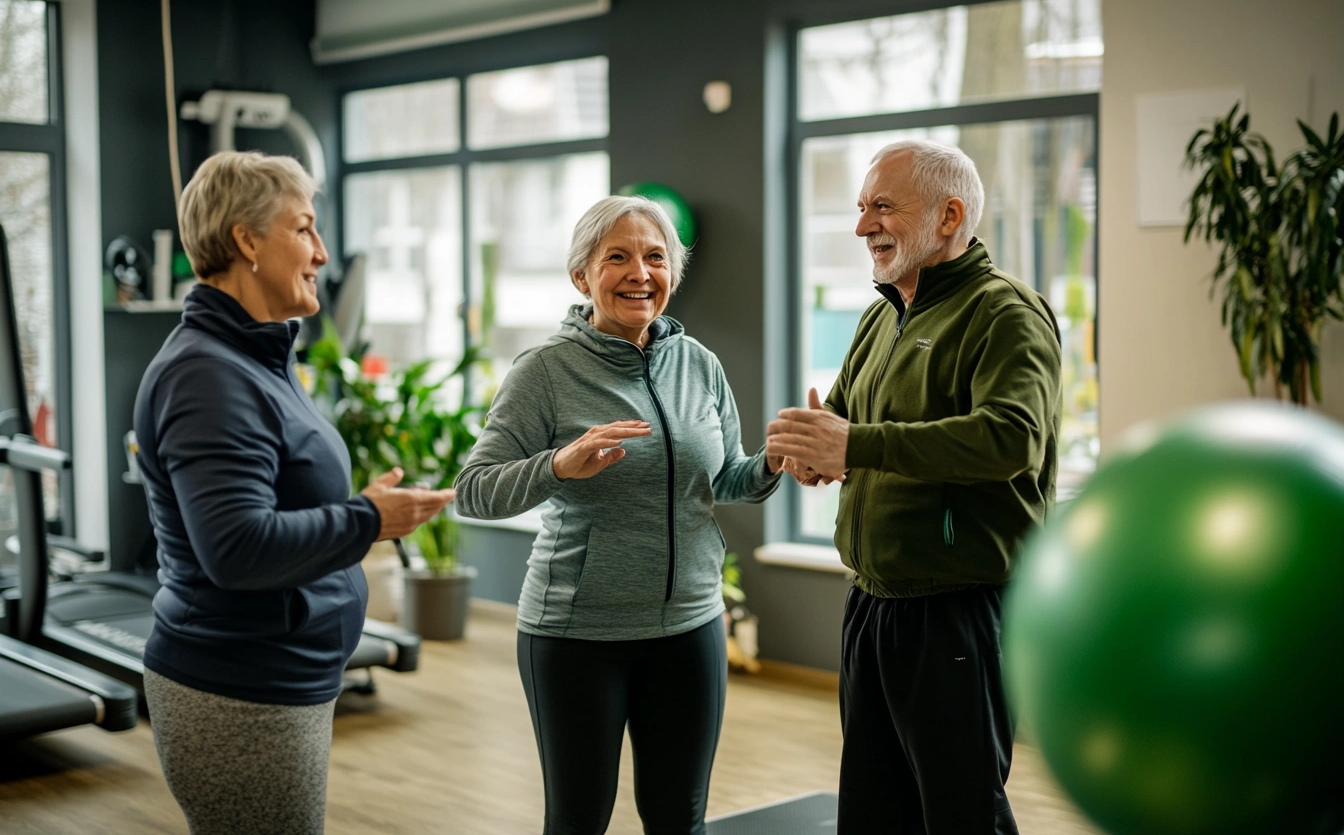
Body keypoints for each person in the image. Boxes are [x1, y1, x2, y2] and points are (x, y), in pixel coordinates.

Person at [133, 151, 454, 835]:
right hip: (240, 687)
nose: (322, 252)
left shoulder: (255, 359)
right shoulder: (207, 377)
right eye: (304, 229)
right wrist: (367, 518)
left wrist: (357, 512)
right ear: (247, 241)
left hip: (280, 680)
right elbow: (237, 548)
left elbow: (276, 500)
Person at [455, 195, 783, 835]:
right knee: (579, 821)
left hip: (691, 625)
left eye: (655, 257)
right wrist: (557, 465)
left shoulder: (700, 365)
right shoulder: (544, 373)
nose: (640, 272)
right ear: (583, 276)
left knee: (679, 818)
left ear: (672, 274)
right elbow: (474, 490)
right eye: (618, 257)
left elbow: (725, 480)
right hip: (578, 639)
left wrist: (777, 463)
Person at [767, 139, 1062, 835]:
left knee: (962, 814)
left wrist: (856, 444)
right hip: (872, 603)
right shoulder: (879, 315)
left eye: (882, 207)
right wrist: (817, 450)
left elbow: (1011, 439)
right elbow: (847, 426)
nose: (864, 225)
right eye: (861, 208)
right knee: (874, 810)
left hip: (959, 609)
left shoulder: (1006, 313)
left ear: (950, 215)